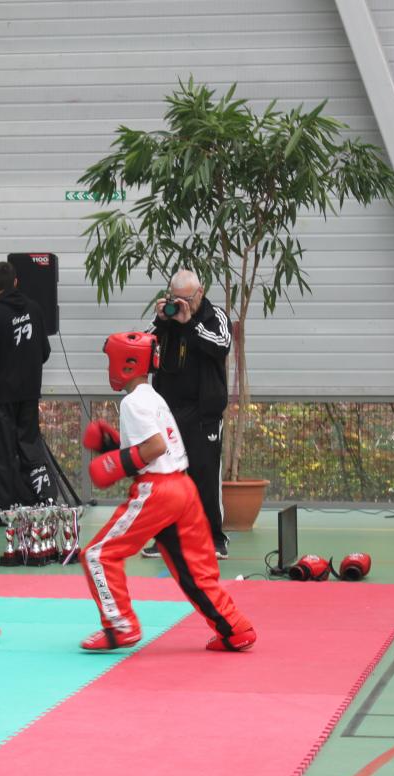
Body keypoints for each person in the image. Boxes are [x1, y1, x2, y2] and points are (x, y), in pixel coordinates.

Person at [77, 331, 255, 652]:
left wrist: (116, 463)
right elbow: (154, 446)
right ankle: (235, 629)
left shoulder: (132, 401)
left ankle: (120, 625)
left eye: (110, 360)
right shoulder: (154, 397)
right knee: (196, 571)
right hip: (183, 488)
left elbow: (155, 447)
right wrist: (112, 446)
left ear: (126, 363)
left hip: (158, 490)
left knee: (97, 555)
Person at [145, 269, 231, 559]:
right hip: (168, 411)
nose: (182, 304)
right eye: (176, 298)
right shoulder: (166, 319)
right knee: (166, 478)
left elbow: (221, 345)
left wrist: (190, 324)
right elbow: (142, 344)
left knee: (205, 476)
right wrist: (161, 321)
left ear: (201, 292)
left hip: (204, 412)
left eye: (188, 299)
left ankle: (214, 538)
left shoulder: (214, 316)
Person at [0, 260, 57, 517]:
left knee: (3, 451)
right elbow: (44, 351)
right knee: (30, 445)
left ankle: (2, 507)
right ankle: (37, 500)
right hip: (29, 393)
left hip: (2, 396)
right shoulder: (34, 309)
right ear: (16, 281)